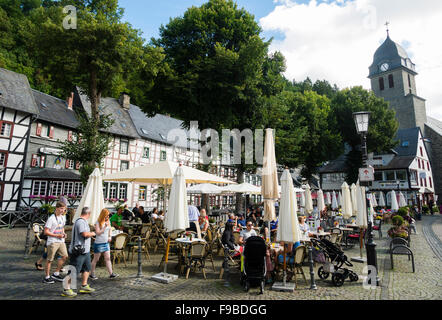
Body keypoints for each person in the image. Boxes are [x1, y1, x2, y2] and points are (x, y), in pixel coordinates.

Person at [63, 207, 96, 297]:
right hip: (79, 251)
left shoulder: (83, 221)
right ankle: (66, 289)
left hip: (85, 251)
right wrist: (93, 233)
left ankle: (84, 286)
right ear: (88, 214)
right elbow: (84, 234)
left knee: (87, 268)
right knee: (74, 271)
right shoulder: (80, 222)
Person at [43, 201, 69, 284]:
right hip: (53, 241)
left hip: (61, 240)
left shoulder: (62, 217)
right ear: (57, 208)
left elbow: (62, 227)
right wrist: (56, 235)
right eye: (61, 209)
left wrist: (63, 233)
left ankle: (56, 273)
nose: (62, 211)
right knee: (50, 259)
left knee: (65, 256)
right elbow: (46, 232)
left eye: (64, 209)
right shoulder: (51, 218)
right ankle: (47, 277)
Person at [90, 209, 119, 280]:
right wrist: (104, 227)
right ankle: (92, 273)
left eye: (108, 215)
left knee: (108, 258)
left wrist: (110, 236)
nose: (108, 217)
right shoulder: (98, 222)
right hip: (99, 243)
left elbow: (110, 230)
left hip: (106, 243)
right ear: (103, 215)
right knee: (96, 259)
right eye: (106, 215)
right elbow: (98, 233)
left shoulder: (108, 221)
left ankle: (111, 274)